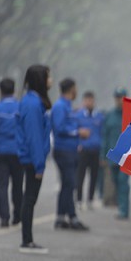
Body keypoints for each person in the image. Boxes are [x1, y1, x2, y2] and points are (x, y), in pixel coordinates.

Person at [16, 64, 52, 254]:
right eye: (48, 76)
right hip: (32, 159)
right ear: (40, 79)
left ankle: (28, 239)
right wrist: (39, 165)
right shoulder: (32, 104)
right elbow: (34, 137)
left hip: (32, 158)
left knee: (29, 199)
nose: (50, 80)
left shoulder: (34, 101)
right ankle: (27, 240)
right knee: (29, 199)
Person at [51, 78, 90, 231]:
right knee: (70, 183)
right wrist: (78, 132)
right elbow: (59, 128)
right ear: (72, 89)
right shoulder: (60, 106)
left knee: (67, 184)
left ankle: (60, 217)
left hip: (72, 150)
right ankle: (72, 217)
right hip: (63, 150)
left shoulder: (68, 106)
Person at [0, 77, 23, 228]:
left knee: (2, 185)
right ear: (14, 90)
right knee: (17, 184)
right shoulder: (21, 108)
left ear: (0, 91)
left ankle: (4, 217)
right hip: (18, 151)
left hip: (0, 151)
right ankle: (17, 216)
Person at [101, 89, 129, 220]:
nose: (119, 100)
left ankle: (124, 210)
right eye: (117, 97)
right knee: (116, 182)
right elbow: (104, 136)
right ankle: (120, 206)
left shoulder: (130, 115)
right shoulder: (110, 115)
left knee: (123, 182)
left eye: (121, 97)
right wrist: (103, 156)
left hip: (126, 156)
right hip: (113, 156)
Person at [75, 90, 103, 210]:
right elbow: (74, 132)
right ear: (83, 101)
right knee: (80, 175)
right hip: (83, 150)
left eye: (91, 100)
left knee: (94, 176)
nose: (89, 102)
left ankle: (90, 199)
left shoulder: (100, 116)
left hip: (96, 150)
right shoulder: (78, 116)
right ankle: (79, 199)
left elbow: (103, 133)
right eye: (87, 100)